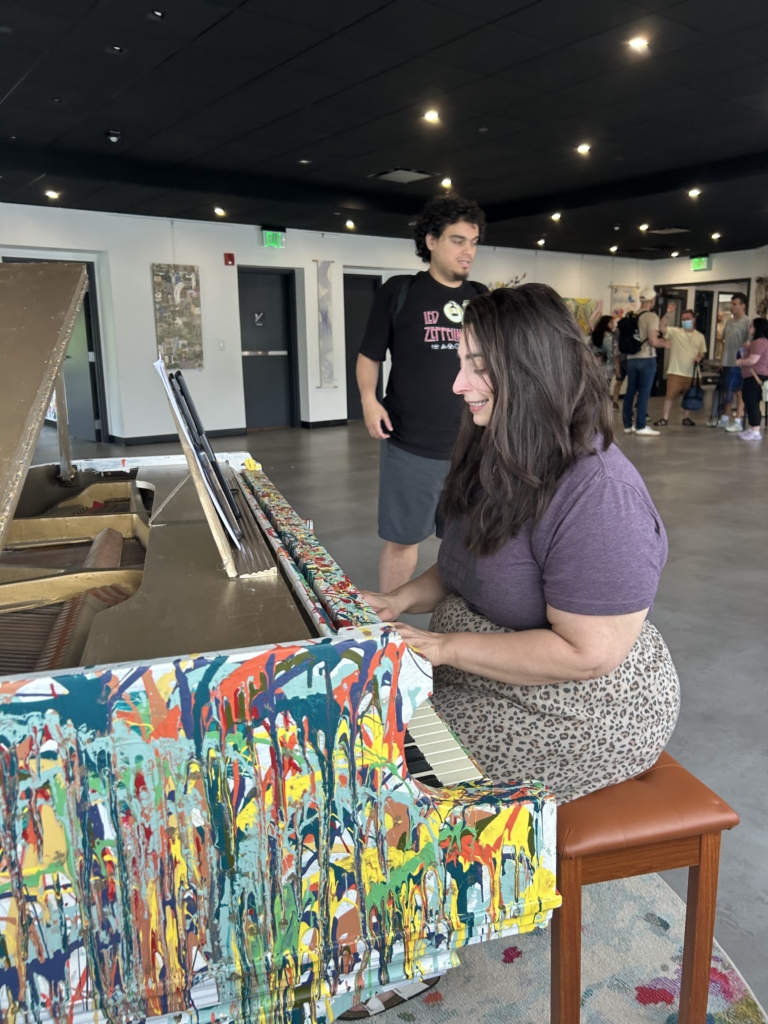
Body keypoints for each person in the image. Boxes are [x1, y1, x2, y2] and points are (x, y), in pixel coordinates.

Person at [363, 284, 679, 805]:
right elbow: (466, 562)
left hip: (585, 706)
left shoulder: (600, 494)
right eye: (461, 362)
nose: (458, 384)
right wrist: (397, 601)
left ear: (535, 370)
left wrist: (442, 647)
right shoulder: (502, 445)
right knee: (377, 729)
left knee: (398, 778)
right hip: (485, 674)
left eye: (478, 366)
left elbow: (588, 653)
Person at [356, 195, 488, 593]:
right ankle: (390, 626)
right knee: (402, 541)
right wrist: (368, 399)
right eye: (458, 240)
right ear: (431, 240)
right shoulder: (400, 292)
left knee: (466, 541)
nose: (468, 252)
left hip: (472, 446)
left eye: (474, 242)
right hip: (410, 442)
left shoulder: (482, 297)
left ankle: (458, 619)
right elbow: (369, 356)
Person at [622, 287, 669, 436]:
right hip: (646, 358)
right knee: (644, 392)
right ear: (651, 300)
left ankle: (627, 425)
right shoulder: (651, 317)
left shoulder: (631, 315)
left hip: (631, 359)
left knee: (630, 392)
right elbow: (653, 341)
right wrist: (666, 343)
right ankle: (641, 425)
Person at [653, 309, 706, 426]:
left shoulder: (700, 336)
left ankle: (686, 417)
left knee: (690, 396)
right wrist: (667, 315)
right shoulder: (675, 332)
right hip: (675, 371)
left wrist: (699, 357)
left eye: (688, 319)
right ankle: (665, 418)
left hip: (692, 372)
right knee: (670, 396)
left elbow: (702, 352)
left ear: (694, 319)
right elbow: (661, 327)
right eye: (683, 319)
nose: (685, 321)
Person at [719, 293, 750, 431]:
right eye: (731, 304)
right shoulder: (729, 322)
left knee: (739, 391)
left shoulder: (748, 322)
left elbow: (748, 344)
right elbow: (725, 342)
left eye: (734, 304)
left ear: (743, 306)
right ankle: (725, 418)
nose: (731, 307)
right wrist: (722, 359)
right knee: (727, 389)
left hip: (738, 363)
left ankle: (738, 419)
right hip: (727, 360)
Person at [734, 317, 768, 441]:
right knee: (749, 402)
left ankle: (755, 431)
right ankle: (752, 427)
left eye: (751, 326)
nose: (750, 329)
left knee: (752, 403)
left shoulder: (759, 342)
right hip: (759, 376)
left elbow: (753, 360)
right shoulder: (762, 342)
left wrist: (740, 361)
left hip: (754, 376)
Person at [589, 315, 616, 396]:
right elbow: (612, 351)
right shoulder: (609, 336)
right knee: (605, 389)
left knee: (596, 388)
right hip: (607, 365)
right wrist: (616, 365)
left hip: (595, 365)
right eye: (611, 323)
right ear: (605, 324)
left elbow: (590, 348)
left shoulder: (594, 334)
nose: (613, 325)